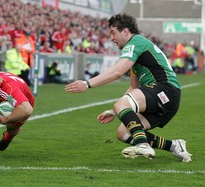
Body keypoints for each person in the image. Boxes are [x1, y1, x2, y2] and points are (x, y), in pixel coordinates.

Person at [64, 13, 192, 162]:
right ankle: (175, 146)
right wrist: (115, 110)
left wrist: (87, 84)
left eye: (113, 33)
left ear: (125, 31)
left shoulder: (135, 42)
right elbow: (133, 87)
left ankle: (142, 145)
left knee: (122, 106)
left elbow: (117, 71)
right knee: (123, 132)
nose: (111, 38)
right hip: (166, 99)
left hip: (165, 90)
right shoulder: (137, 52)